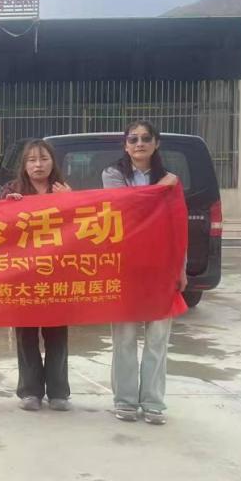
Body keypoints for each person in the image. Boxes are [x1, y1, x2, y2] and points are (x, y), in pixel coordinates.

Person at [102, 120, 184, 425]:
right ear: (125, 145)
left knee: (158, 338)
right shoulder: (113, 175)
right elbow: (128, 207)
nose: (139, 143)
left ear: (156, 143)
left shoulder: (171, 179)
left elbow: (178, 225)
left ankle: (153, 402)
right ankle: (124, 400)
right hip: (126, 265)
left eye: (146, 138)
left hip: (162, 267)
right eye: (133, 139)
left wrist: (181, 268)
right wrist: (160, 191)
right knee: (124, 337)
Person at [0, 139, 73, 412]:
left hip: (56, 273)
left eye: (43, 159)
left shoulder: (63, 190)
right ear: (24, 165)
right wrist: (6, 207)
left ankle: (59, 392)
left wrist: (71, 201)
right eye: (32, 160)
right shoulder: (11, 190)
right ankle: (30, 391)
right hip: (23, 274)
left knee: (57, 333)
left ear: (53, 162)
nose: (38, 165)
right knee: (26, 333)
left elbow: (82, 226)